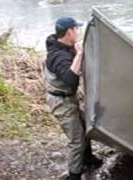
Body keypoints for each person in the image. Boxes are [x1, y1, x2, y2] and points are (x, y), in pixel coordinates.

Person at [42, 17, 99, 180]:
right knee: (76, 140)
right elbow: (71, 80)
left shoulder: (64, 46)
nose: (78, 32)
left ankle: (88, 159)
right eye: (76, 29)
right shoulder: (57, 56)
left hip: (68, 98)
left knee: (85, 126)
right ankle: (74, 175)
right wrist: (79, 53)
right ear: (69, 32)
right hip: (60, 102)